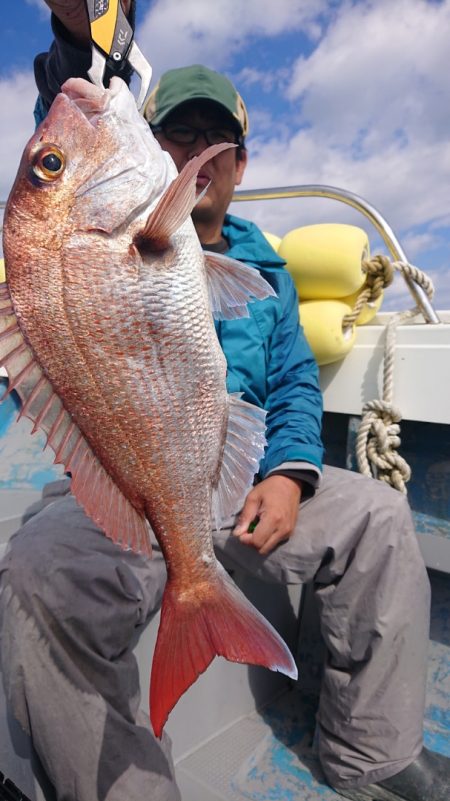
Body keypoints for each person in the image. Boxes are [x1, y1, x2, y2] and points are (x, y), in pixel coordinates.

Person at [0, 2, 448, 800]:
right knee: (35, 574)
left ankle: (370, 753)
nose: (195, 154)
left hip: (242, 484)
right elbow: (63, 154)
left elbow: (297, 384)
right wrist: (78, 34)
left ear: (239, 164)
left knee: (380, 519)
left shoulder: (267, 271)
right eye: (177, 135)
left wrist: (291, 472)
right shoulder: (111, 226)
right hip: (136, 485)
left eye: (218, 142)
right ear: (152, 145)